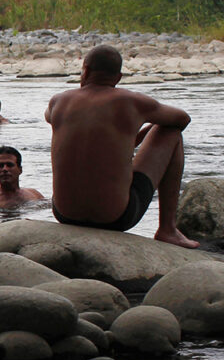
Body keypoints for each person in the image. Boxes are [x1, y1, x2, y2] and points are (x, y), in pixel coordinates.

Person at [47, 44, 198, 248]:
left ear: (85, 70)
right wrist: (145, 130)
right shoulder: (132, 102)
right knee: (171, 132)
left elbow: (59, 123)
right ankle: (167, 229)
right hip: (115, 218)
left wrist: (129, 139)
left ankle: (168, 229)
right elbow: (182, 119)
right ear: (118, 78)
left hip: (64, 214)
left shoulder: (58, 102)